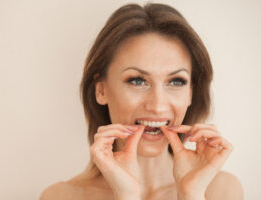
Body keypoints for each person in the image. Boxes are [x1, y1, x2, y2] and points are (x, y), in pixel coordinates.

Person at [40, 3, 244, 200]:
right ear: (101, 90)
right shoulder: (60, 196)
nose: (157, 105)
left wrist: (191, 195)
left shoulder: (223, 192)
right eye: (137, 81)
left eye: (175, 81)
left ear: (190, 93)